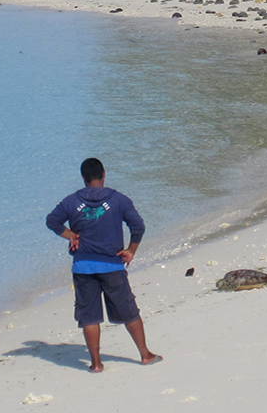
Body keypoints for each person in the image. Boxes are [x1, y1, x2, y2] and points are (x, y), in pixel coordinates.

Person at [46, 157, 162, 372]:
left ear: (83, 177)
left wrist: (71, 235)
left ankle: (96, 364)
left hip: (83, 268)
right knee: (129, 312)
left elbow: (52, 221)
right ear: (104, 174)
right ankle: (145, 355)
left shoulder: (71, 202)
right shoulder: (119, 200)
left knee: (89, 317)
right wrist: (131, 251)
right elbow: (138, 227)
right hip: (112, 266)